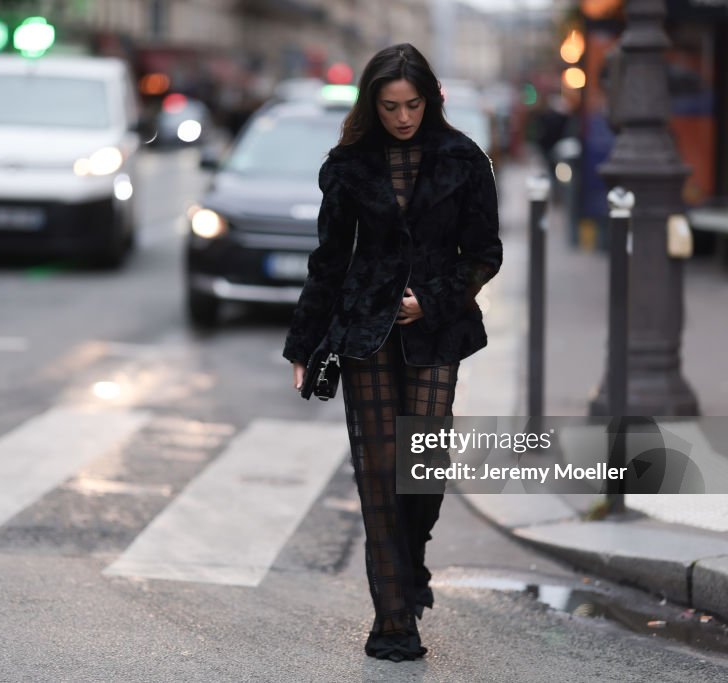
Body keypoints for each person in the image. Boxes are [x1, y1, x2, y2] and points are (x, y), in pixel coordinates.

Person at [282, 43, 502, 662]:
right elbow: (329, 262)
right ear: (371, 104)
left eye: (411, 105)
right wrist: (304, 343)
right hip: (363, 329)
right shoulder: (349, 164)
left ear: (430, 100)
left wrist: (430, 302)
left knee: (422, 467)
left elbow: (485, 253)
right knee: (378, 474)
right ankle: (393, 619)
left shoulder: (463, 160)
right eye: (389, 106)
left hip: (436, 328)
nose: (402, 117)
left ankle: (412, 563)